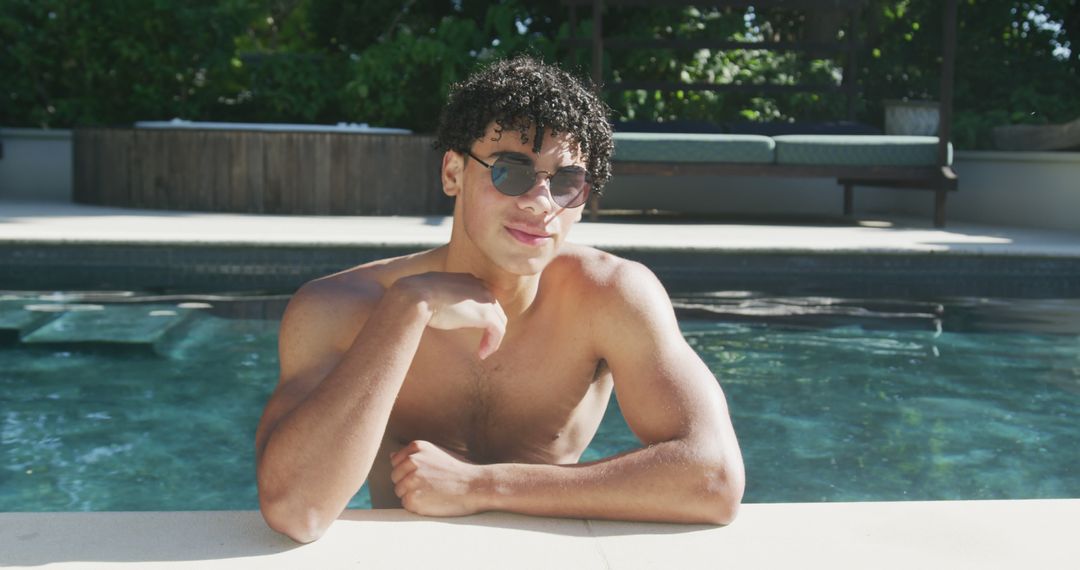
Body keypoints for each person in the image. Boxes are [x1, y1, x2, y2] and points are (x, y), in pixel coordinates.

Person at [254, 55, 744, 543]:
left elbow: (714, 479)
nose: (541, 202)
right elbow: (297, 510)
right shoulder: (340, 307)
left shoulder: (610, 296)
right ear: (453, 172)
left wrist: (482, 486)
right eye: (511, 170)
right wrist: (407, 309)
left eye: (567, 182)